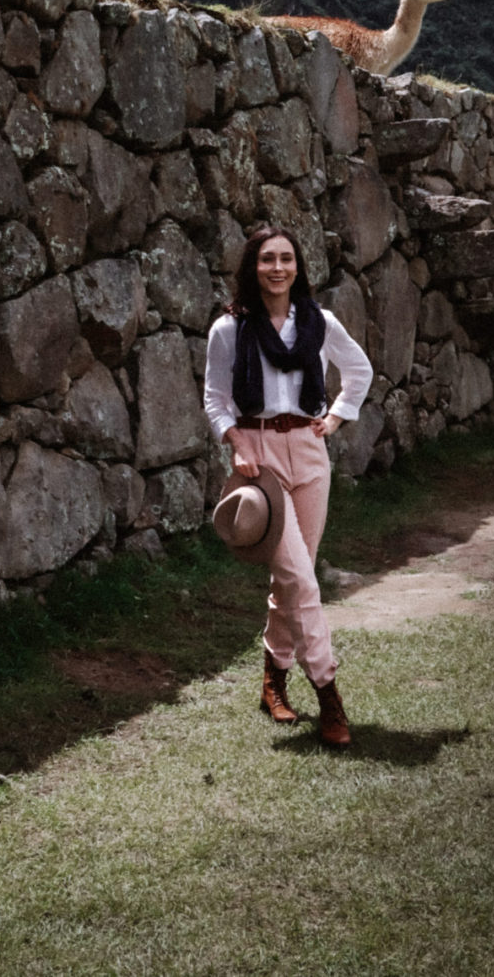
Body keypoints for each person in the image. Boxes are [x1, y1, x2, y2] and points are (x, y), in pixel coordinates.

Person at [204, 224, 373, 748]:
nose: (277, 268)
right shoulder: (230, 329)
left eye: (287, 259)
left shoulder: (319, 323)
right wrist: (234, 442)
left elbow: (359, 370)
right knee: (301, 577)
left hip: (309, 451)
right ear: (252, 267)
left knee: (292, 581)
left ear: (298, 267)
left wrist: (337, 419)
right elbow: (215, 397)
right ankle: (329, 694)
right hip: (260, 459)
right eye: (267, 259)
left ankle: (272, 679)